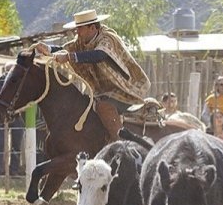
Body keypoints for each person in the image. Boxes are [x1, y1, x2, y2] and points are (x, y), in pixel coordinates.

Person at [33, 9, 151, 141]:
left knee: (103, 106)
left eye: (80, 28)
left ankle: (120, 144)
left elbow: (100, 55)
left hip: (126, 90)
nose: (77, 32)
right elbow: (66, 49)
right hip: (103, 93)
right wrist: (48, 49)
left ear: (93, 28)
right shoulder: (81, 42)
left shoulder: (108, 39)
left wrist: (68, 57)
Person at [0, 62, 23, 177]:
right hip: (1, 117)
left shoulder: (19, 82)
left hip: (16, 116)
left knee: (16, 144)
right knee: (0, 143)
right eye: (7, 70)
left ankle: (14, 170)